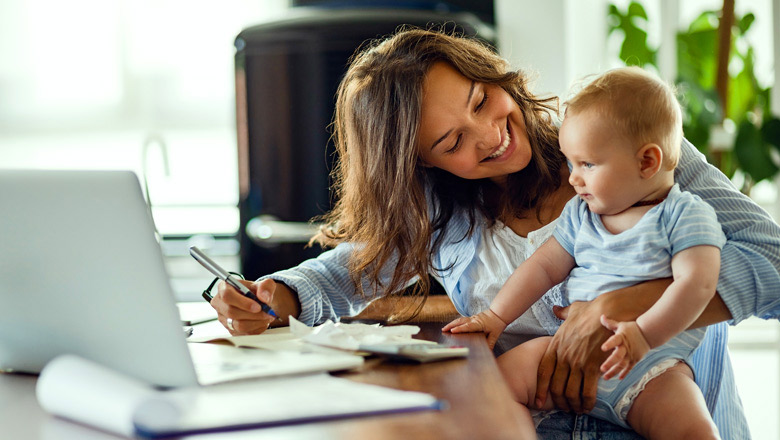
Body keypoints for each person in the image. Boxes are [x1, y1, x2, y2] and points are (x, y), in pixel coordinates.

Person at [208, 28, 780, 438]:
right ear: (423, 165)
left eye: (482, 101)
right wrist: (272, 296)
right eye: (452, 142)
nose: (489, 136)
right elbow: (347, 270)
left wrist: (624, 303)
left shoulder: (628, 149)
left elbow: (774, 265)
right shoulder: (442, 209)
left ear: (492, 75)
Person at [443, 66, 724, 438]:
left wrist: (642, 334)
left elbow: (698, 286)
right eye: (571, 162)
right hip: (563, 353)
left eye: (587, 164)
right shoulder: (582, 213)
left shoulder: (684, 216)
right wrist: (496, 316)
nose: (573, 178)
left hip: (652, 369)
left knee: (694, 429)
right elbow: (543, 267)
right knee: (490, 388)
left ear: (647, 162)